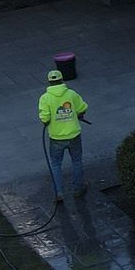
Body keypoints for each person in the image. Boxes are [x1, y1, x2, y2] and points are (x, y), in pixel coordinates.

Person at [39, 69, 89, 201]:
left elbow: (45, 118)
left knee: (55, 165)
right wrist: (78, 114)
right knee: (76, 161)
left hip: (56, 138)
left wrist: (47, 121)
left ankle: (59, 193)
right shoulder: (71, 94)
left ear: (49, 82)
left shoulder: (45, 98)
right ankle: (78, 189)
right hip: (74, 135)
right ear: (62, 80)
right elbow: (82, 107)